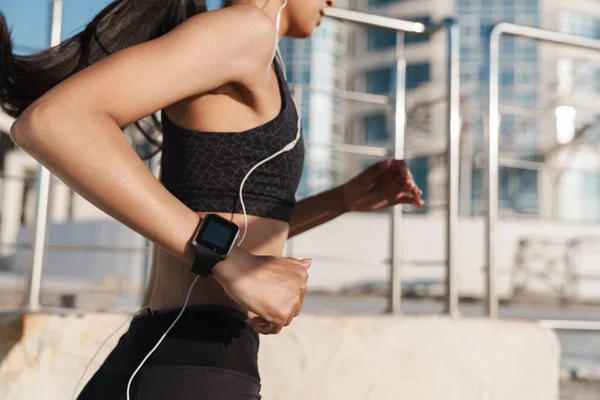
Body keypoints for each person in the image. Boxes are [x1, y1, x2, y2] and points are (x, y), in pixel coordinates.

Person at [1, 0, 425, 398]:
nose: (335, 1)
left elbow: (226, 215)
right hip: (191, 364)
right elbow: (51, 122)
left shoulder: (254, 51)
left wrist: (344, 199)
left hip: (180, 359)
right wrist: (233, 264)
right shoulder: (244, 32)